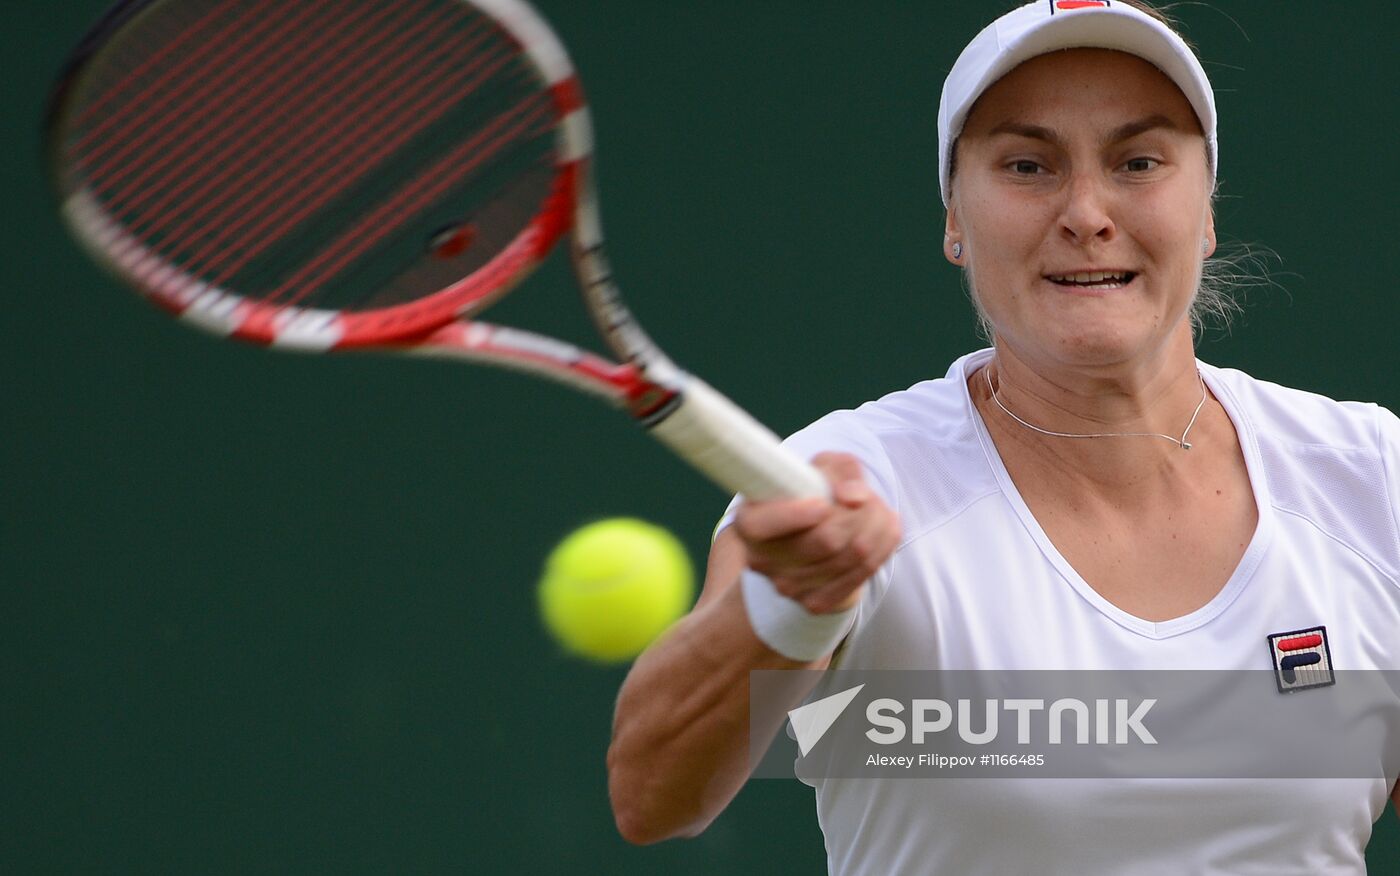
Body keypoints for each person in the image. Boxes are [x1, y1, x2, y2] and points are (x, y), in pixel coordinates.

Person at [607, 1, 1400, 872]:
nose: (1087, 212)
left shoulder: (1370, 477)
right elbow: (653, 798)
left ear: (1206, 210)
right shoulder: (850, 481)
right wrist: (789, 612)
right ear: (955, 220)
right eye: (1028, 165)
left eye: (1139, 161)